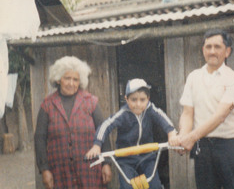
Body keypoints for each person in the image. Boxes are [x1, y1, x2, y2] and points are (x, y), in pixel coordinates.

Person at [177, 30, 234, 189]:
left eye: (217, 47)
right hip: (203, 149)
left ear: (227, 51)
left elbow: (220, 116)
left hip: (230, 147)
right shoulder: (193, 77)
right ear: (203, 50)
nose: (212, 51)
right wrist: (183, 136)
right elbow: (187, 113)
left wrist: (191, 137)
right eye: (208, 47)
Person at [34, 56, 112, 189]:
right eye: (67, 78)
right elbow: (39, 139)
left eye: (75, 79)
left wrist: (106, 163)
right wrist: (44, 169)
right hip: (60, 173)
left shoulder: (90, 102)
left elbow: (102, 131)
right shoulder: (47, 105)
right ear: (58, 79)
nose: (71, 83)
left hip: (89, 171)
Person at [86, 78, 177, 189]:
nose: (138, 104)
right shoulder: (123, 114)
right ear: (126, 99)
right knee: (128, 186)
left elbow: (161, 116)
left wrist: (171, 132)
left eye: (142, 100)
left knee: (155, 185)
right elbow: (106, 125)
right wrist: (97, 145)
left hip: (147, 156)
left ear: (148, 99)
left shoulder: (150, 109)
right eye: (134, 100)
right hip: (126, 159)